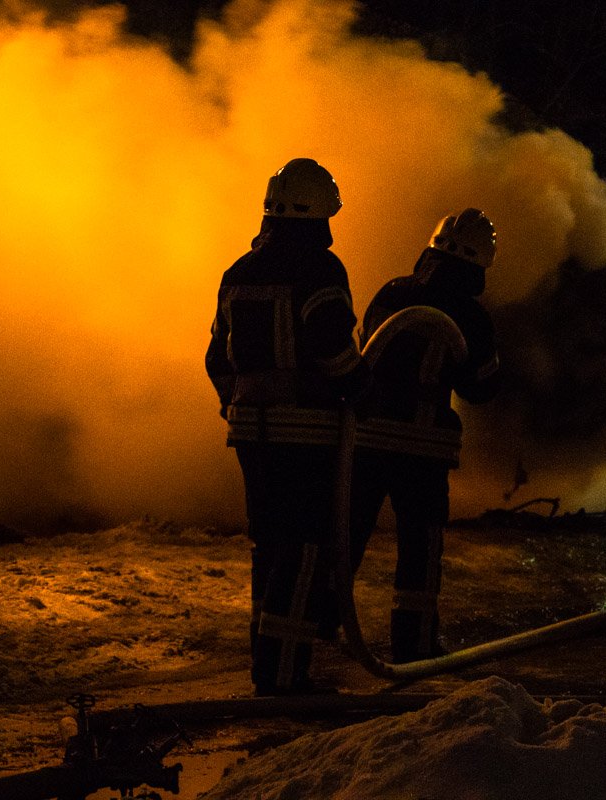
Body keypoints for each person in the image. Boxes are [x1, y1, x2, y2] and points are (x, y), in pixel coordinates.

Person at [206, 158, 369, 695]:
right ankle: (283, 674)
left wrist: (241, 402)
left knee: (270, 546)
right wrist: (357, 382)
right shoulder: (321, 270)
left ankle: (266, 662)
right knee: (303, 547)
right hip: (307, 433)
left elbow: (215, 357)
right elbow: (330, 343)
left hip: (249, 433)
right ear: (319, 215)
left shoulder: (238, 272)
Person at [349, 208, 501, 663]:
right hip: (423, 448)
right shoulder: (473, 317)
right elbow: (482, 387)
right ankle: (413, 646)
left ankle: (322, 620)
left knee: (348, 532)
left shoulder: (392, 292)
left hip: (368, 438)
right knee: (420, 548)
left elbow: (363, 348)